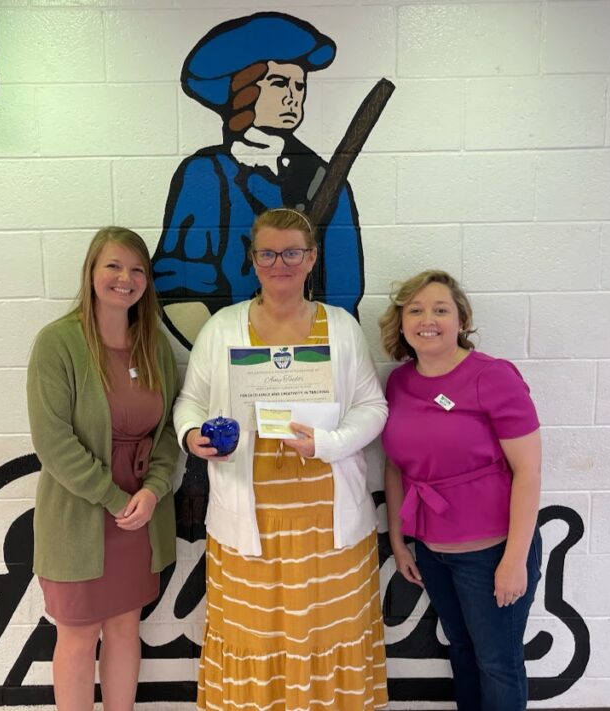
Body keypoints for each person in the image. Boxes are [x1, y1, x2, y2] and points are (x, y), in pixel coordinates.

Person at [173, 207, 388, 710]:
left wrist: (328, 444)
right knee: (255, 646)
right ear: (252, 259)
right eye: (268, 252)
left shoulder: (341, 328)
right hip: (252, 529)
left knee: (328, 641)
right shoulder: (224, 328)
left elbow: (372, 407)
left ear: (311, 258)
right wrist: (191, 435)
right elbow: (191, 401)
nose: (281, 263)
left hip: (327, 530)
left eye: (293, 251)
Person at [26, 227, 180, 711]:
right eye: (113, 266)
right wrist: (117, 500)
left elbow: (168, 434)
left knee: (124, 627)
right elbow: (54, 444)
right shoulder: (58, 344)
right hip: (80, 516)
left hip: (140, 514)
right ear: (91, 272)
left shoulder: (153, 346)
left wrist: (153, 491)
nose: (125, 278)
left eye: (137, 269)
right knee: (77, 634)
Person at [380, 270, 542, 711]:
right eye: (414, 310)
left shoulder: (493, 377)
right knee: (463, 653)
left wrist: (513, 561)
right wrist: (399, 538)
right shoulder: (398, 382)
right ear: (401, 322)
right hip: (433, 552)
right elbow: (394, 467)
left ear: (461, 320)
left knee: (498, 663)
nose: (426, 319)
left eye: (440, 309)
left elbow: (528, 471)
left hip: (492, 553)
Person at [153, 12, 364, 348]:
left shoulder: (326, 181)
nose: (293, 96)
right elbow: (176, 283)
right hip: (230, 352)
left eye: (299, 85)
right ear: (242, 89)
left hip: (308, 358)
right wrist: (225, 351)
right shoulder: (204, 174)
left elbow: (343, 289)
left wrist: (320, 352)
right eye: (279, 83)